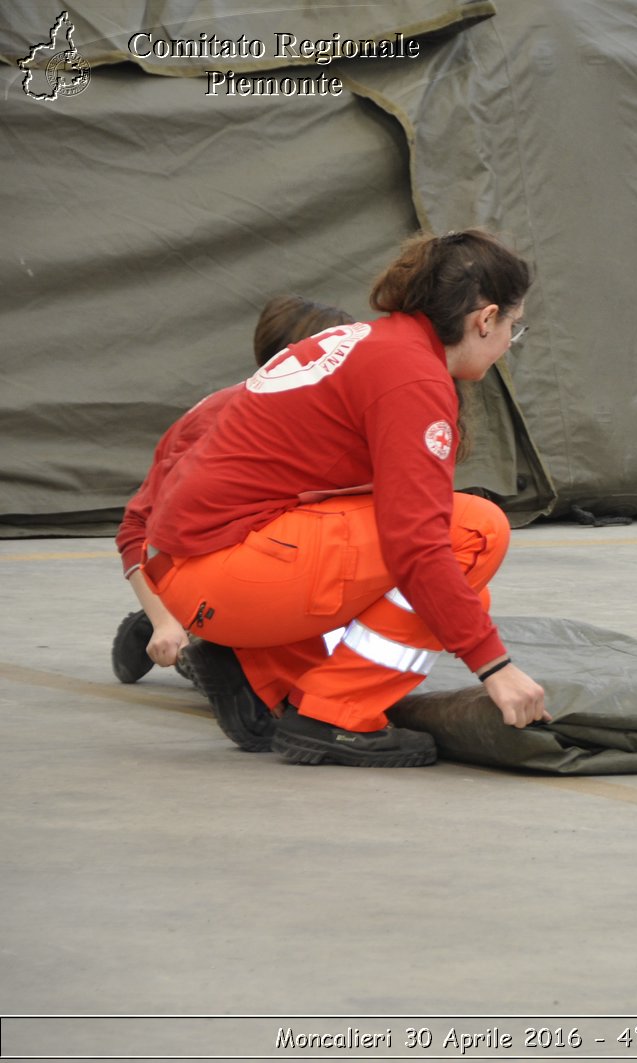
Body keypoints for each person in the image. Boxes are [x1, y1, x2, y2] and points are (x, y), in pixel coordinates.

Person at [143, 230, 550, 767]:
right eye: (512, 330)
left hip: (194, 576)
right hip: (227, 576)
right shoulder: (411, 377)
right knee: (473, 531)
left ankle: (279, 683)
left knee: (460, 597)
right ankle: (335, 716)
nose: (506, 345)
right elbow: (417, 544)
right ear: (484, 318)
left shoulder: (365, 342)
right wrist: (495, 667)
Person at [113, 295, 356, 685]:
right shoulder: (222, 415)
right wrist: (164, 623)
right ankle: (190, 630)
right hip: (208, 573)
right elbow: (138, 528)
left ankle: (203, 630)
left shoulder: (329, 422)